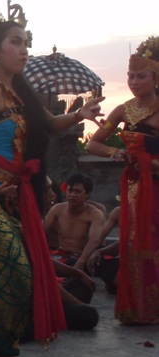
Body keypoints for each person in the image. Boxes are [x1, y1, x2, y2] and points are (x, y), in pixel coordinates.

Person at [0, 11, 104, 357]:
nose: (24, 50)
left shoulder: (22, 92)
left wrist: (79, 114)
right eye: (15, 42)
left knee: (25, 272)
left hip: (11, 195)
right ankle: (5, 350)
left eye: (26, 43)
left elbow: (49, 125)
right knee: (16, 272)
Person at [85, 37, 159, 324]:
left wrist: (150, 163)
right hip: (135, 187)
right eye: (130, 76)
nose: (134, 82)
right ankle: (140, 307)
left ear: (155, 77)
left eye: (141, 76)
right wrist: (117, 153)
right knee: (133, 243)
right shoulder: (123, 110)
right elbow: (93, 144)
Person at [44, 173, 105, 272]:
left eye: (78, 191)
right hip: (59, 255)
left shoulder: (95, 214)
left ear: (87, 194)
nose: (72, 195)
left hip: (80, 256)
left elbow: (94, 240)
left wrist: (82, 260)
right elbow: (41, 231)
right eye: (70, 190)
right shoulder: (57, 209)